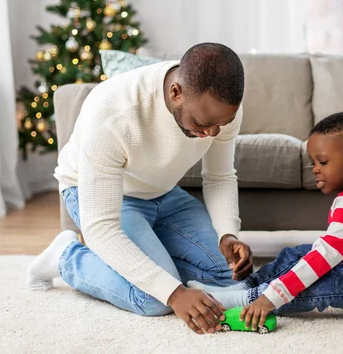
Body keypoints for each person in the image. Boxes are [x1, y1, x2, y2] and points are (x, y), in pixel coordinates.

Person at [27, 42, 254, 335]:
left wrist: (227, 233)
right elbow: (102, 228)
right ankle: (66, 256)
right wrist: (174, 293)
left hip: (163, 194)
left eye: (220, 124)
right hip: (104, 196)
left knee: (227, 279)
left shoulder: (221, 110)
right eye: (203, 122)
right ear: (175, 93)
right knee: (153, 298)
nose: (211, 133)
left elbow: (220, 176)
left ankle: (151, 261)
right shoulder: (112, 112)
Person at [188, 112, 343, 330]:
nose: (315, 170)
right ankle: (245, 287)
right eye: (314, 163)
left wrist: (271, 299)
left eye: (323, 162)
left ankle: (246, 298)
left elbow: (324, 258)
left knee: (328, 281)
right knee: (300, 254)